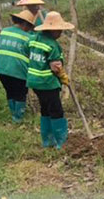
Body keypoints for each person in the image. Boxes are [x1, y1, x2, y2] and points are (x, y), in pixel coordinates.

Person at [27, 10, 75, 149]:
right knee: (56, 110)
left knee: (45, 109)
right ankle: (61, 141)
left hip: (34, 82)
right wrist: (63, 77)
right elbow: (56, 67)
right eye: (58, 30)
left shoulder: (34, 39)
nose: (60, 33)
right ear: (52, 30)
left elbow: (28, 51)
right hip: (47, 83)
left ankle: (47, 140)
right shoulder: (53, 45)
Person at [0, 8, 36, 123]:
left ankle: (14, 113)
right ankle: (18, 118)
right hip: (18, 71)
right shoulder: (29, 38)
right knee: (20, 94)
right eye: (30, 26)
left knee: (10, 91)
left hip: (2, 69)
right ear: (26, 24)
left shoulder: (4, 31)